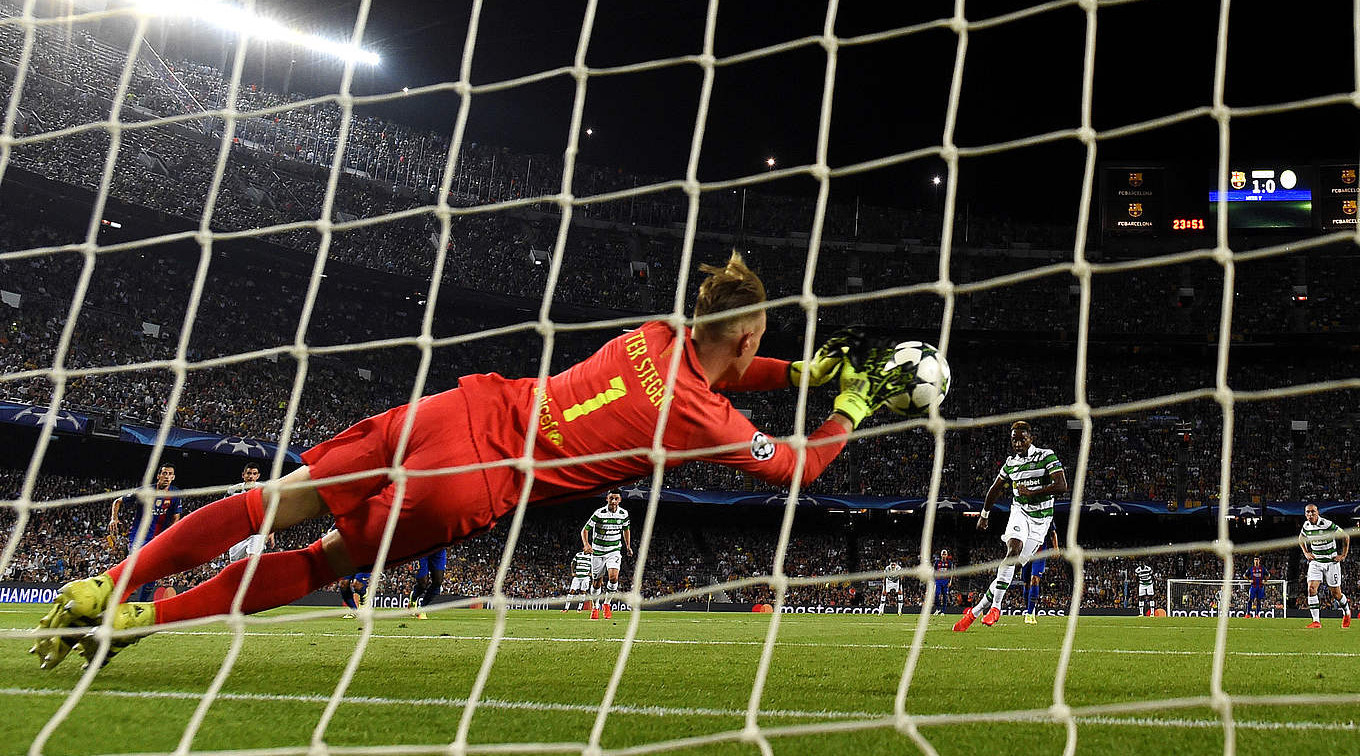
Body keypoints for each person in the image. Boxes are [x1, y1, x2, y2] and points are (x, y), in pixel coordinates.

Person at [33, 251, 914, 670]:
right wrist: (851, 403)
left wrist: (796, 368)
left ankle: (110, 583)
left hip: (457, 408)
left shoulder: (653, 332)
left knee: (278, 498)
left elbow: (726, 357)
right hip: (476, 482)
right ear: (753, 330)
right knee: (320, 562)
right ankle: (144, 623)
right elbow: (798, 467)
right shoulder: (700, 416)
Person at [955, 421, 1067, 632]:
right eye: (1014, 439)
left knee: (1011, 568)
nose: (1017, 443)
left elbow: (1061, 486)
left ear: (1030, 439)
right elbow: (994, 489)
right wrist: (984, 515)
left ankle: (975, 611)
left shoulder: (1046, 456)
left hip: (1041, 522)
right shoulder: (1010, 464)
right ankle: (996, 607)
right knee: (1012, 550)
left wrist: (1032, 493)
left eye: (1021, 439)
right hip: (1019, 513)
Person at [107, 464, 181, 603]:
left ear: (173, 477)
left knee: (152, 574)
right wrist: (114, 519)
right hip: (139, 536)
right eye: (164, 473)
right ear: (158, 475)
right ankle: (117, 598)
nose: (167, 476)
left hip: (159, 540)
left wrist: (171, 536)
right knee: (133, 565)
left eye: (170, 474)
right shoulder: (145, 491)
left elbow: (176, 517)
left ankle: (139, 604)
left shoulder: (175, 495)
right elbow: (117, 501)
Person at [1299, 504, 1351, 629]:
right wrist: (1306, 552)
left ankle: (1347, 612)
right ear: (1305, 514)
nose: (1310, 514)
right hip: (1316, 562)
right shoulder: (1306, 526)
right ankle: (1316, 621)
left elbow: (1346, 536)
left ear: (1317, 512)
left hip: (1331, 562)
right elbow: (1301, 538)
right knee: (1311, 588)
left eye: (1313, 512)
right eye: (1308, 512)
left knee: (1336, 594)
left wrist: (1343, 555)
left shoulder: (1327, 524)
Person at [583, 490, 631, 620]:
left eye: (616, 499)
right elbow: (585, 530)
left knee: (613, 577)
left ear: (620, 500)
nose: (614, 501)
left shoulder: (623, 514)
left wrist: (628, 546)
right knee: (596, 583)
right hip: (597, 552)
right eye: (611, 498)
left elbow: (626, 529)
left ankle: (607, 605)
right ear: (607, 499)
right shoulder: (599, 513)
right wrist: (587, 544)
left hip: (614, 550)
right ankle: (595, 606)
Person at [225, 463, 275, 563]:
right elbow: (224, 511)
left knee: (252, 560)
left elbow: (271, 511)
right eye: (248, 473)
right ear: (243, 475)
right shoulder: (232, 490)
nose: (251, 476)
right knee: (235, 563)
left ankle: (253, 577)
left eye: (254, 473)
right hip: (238, 532)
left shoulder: (264, 490)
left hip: (257, 530)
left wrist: (272, 531)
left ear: (258, 476)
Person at [1021, 528, 1060, 624]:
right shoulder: (1025, 516)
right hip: (1026, 554)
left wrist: (1056, 548)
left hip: (1040, 554)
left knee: (1034, 579)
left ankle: (1030, 614)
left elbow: (1053, 533)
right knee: (1026, 584)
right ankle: (1030, 609)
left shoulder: (1046, 515)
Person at [406, 550, 446, 620]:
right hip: (422, 548)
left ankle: (422, 608)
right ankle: (414, 597)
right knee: (423, 584)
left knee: (438, 581)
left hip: (439, 549)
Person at [563, 548, 593, 613]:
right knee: (571, 591)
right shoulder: (578, 555)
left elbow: (595, 566)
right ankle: (566, 608)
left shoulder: (591, 557)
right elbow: (572, 563)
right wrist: (572, 572)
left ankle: (579, 609)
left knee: (583, 592)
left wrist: (591, 573)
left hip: (585, 577)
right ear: (583, 549)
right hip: (577, 576)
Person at [931, 549, 953, 614]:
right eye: (943, 554)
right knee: (937, 594)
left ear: (947, 555)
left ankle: (943, 611)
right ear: (941, 555)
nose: (944, 556)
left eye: (945, 554)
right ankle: (938, 609)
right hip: (938, 580)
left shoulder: (949, 563)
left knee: (945, 595)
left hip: (946, 581)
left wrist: (950, 581)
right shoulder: (937, 562)